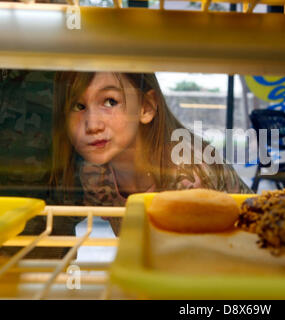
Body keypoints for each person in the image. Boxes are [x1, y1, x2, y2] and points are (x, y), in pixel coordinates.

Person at [49, 72, 252, 235]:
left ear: (146, 107)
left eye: (110, 102)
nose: (92, 125)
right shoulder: (94, 174)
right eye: (79, 106)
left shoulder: (188, 172)